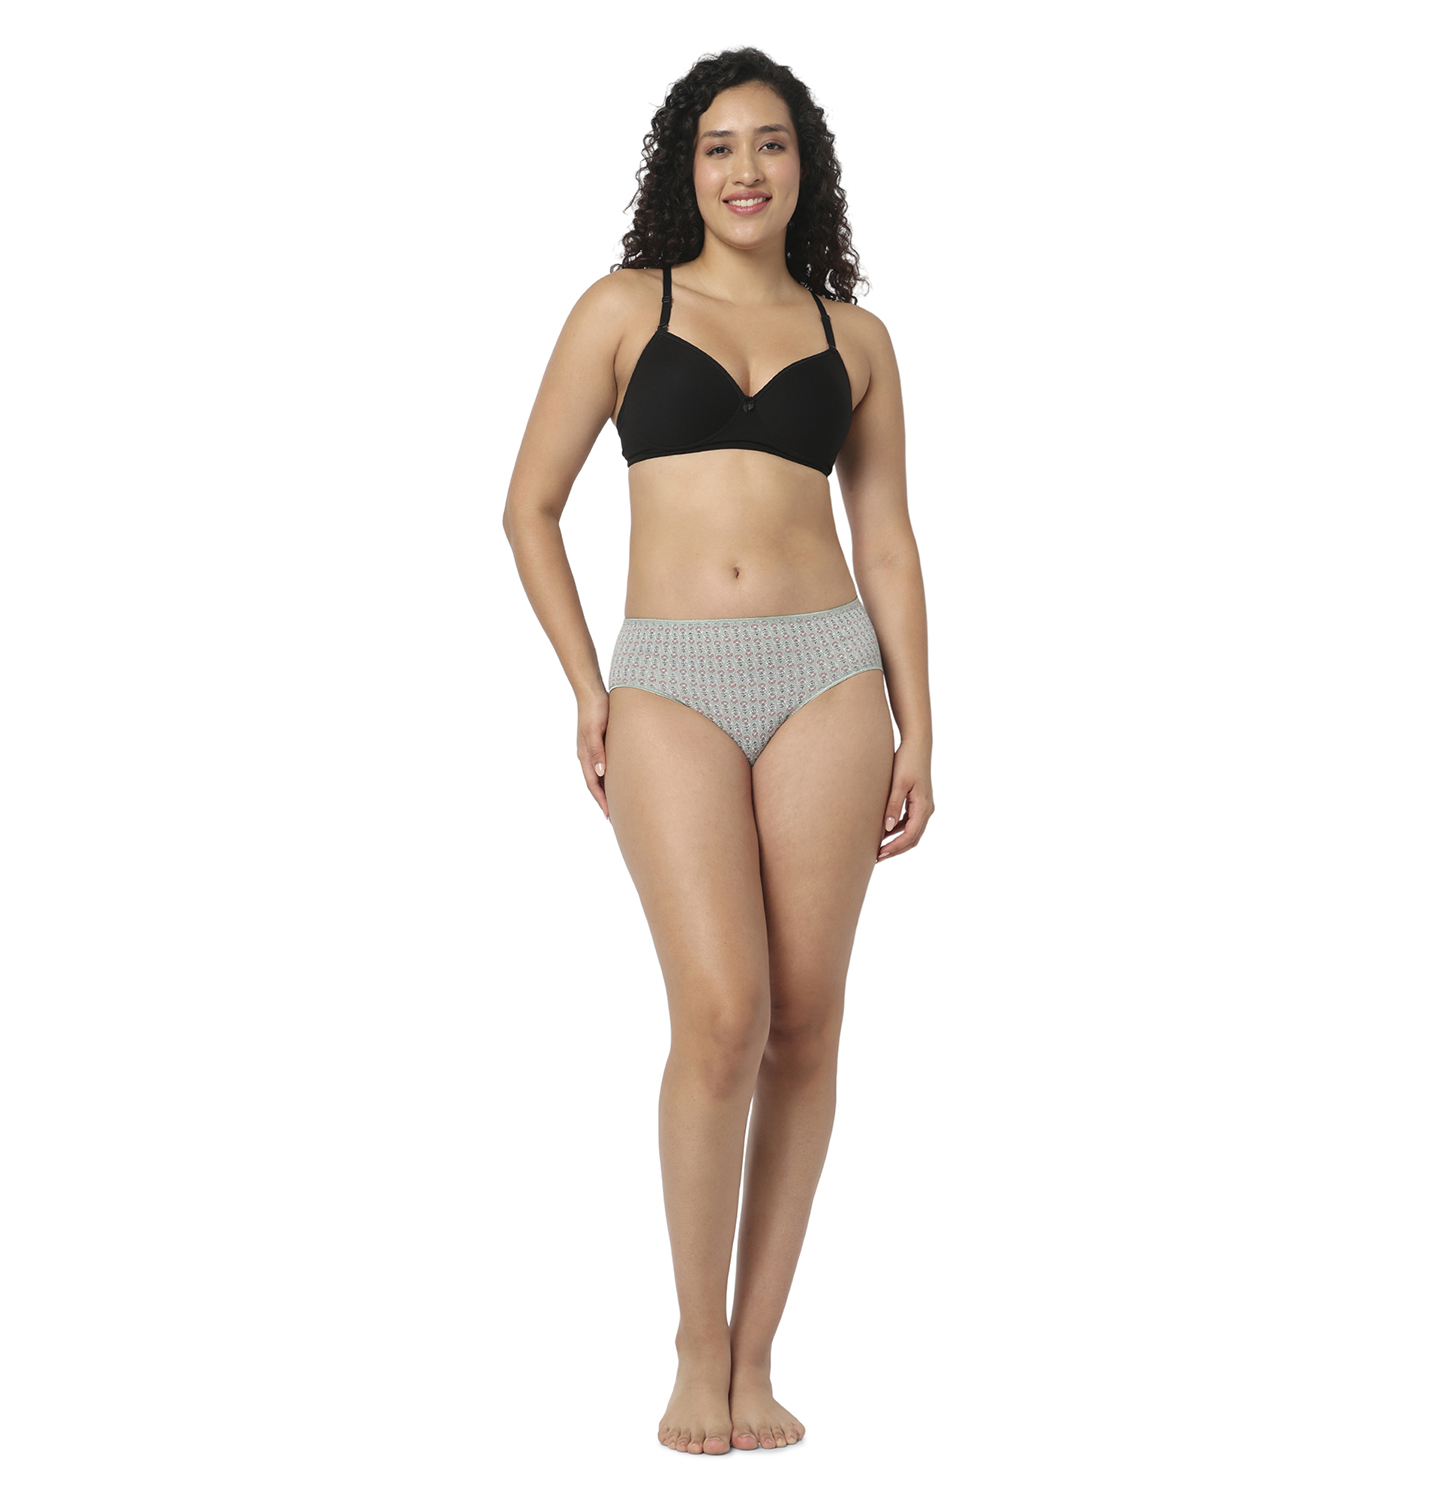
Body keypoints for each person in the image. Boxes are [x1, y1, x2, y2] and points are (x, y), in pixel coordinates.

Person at [503, 47, 934, 1456]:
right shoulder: (624, 308)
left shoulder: (855, 337)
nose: (747, 170)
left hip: (829, 677)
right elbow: (528, 507)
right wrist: (588, 688)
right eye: (719, 147)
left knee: (807, 1020)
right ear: (683, 170)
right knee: (723, 1014)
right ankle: (695, 1342)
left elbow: (885, 538)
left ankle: (758, 1353)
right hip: (671, 682)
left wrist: (921, 721)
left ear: (807, 165)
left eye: (772, 143)